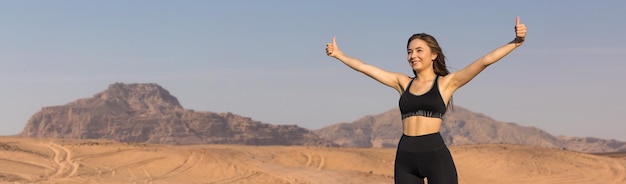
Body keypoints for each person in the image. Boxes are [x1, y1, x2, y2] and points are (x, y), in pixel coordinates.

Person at [325, 17, 527, 184]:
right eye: (410, 51)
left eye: (419, 50)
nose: (413, 55)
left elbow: (485, 61)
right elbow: (365, 67)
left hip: (435, 156)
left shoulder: (447, 83)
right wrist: (340, 55)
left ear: (433, 54)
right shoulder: (402, 82)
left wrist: (515, 42)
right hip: (405, 157)